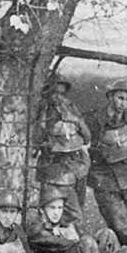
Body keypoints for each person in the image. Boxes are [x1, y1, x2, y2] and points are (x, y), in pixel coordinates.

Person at [87, 78, 127, 251]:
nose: (123, 103)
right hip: (104, 179)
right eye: (120, 98)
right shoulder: (94, 119)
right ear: (111, 96)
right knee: (121, 226)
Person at [37, 71, 91, 225]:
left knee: (78, 207)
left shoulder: (70, 107)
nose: (58, 97)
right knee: (67, 213)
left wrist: (75, 120)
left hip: (77, 164)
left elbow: (87, 136)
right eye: (54, 93)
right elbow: (36, 138)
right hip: (56, 168)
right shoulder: (43, 110)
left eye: (61, 93)